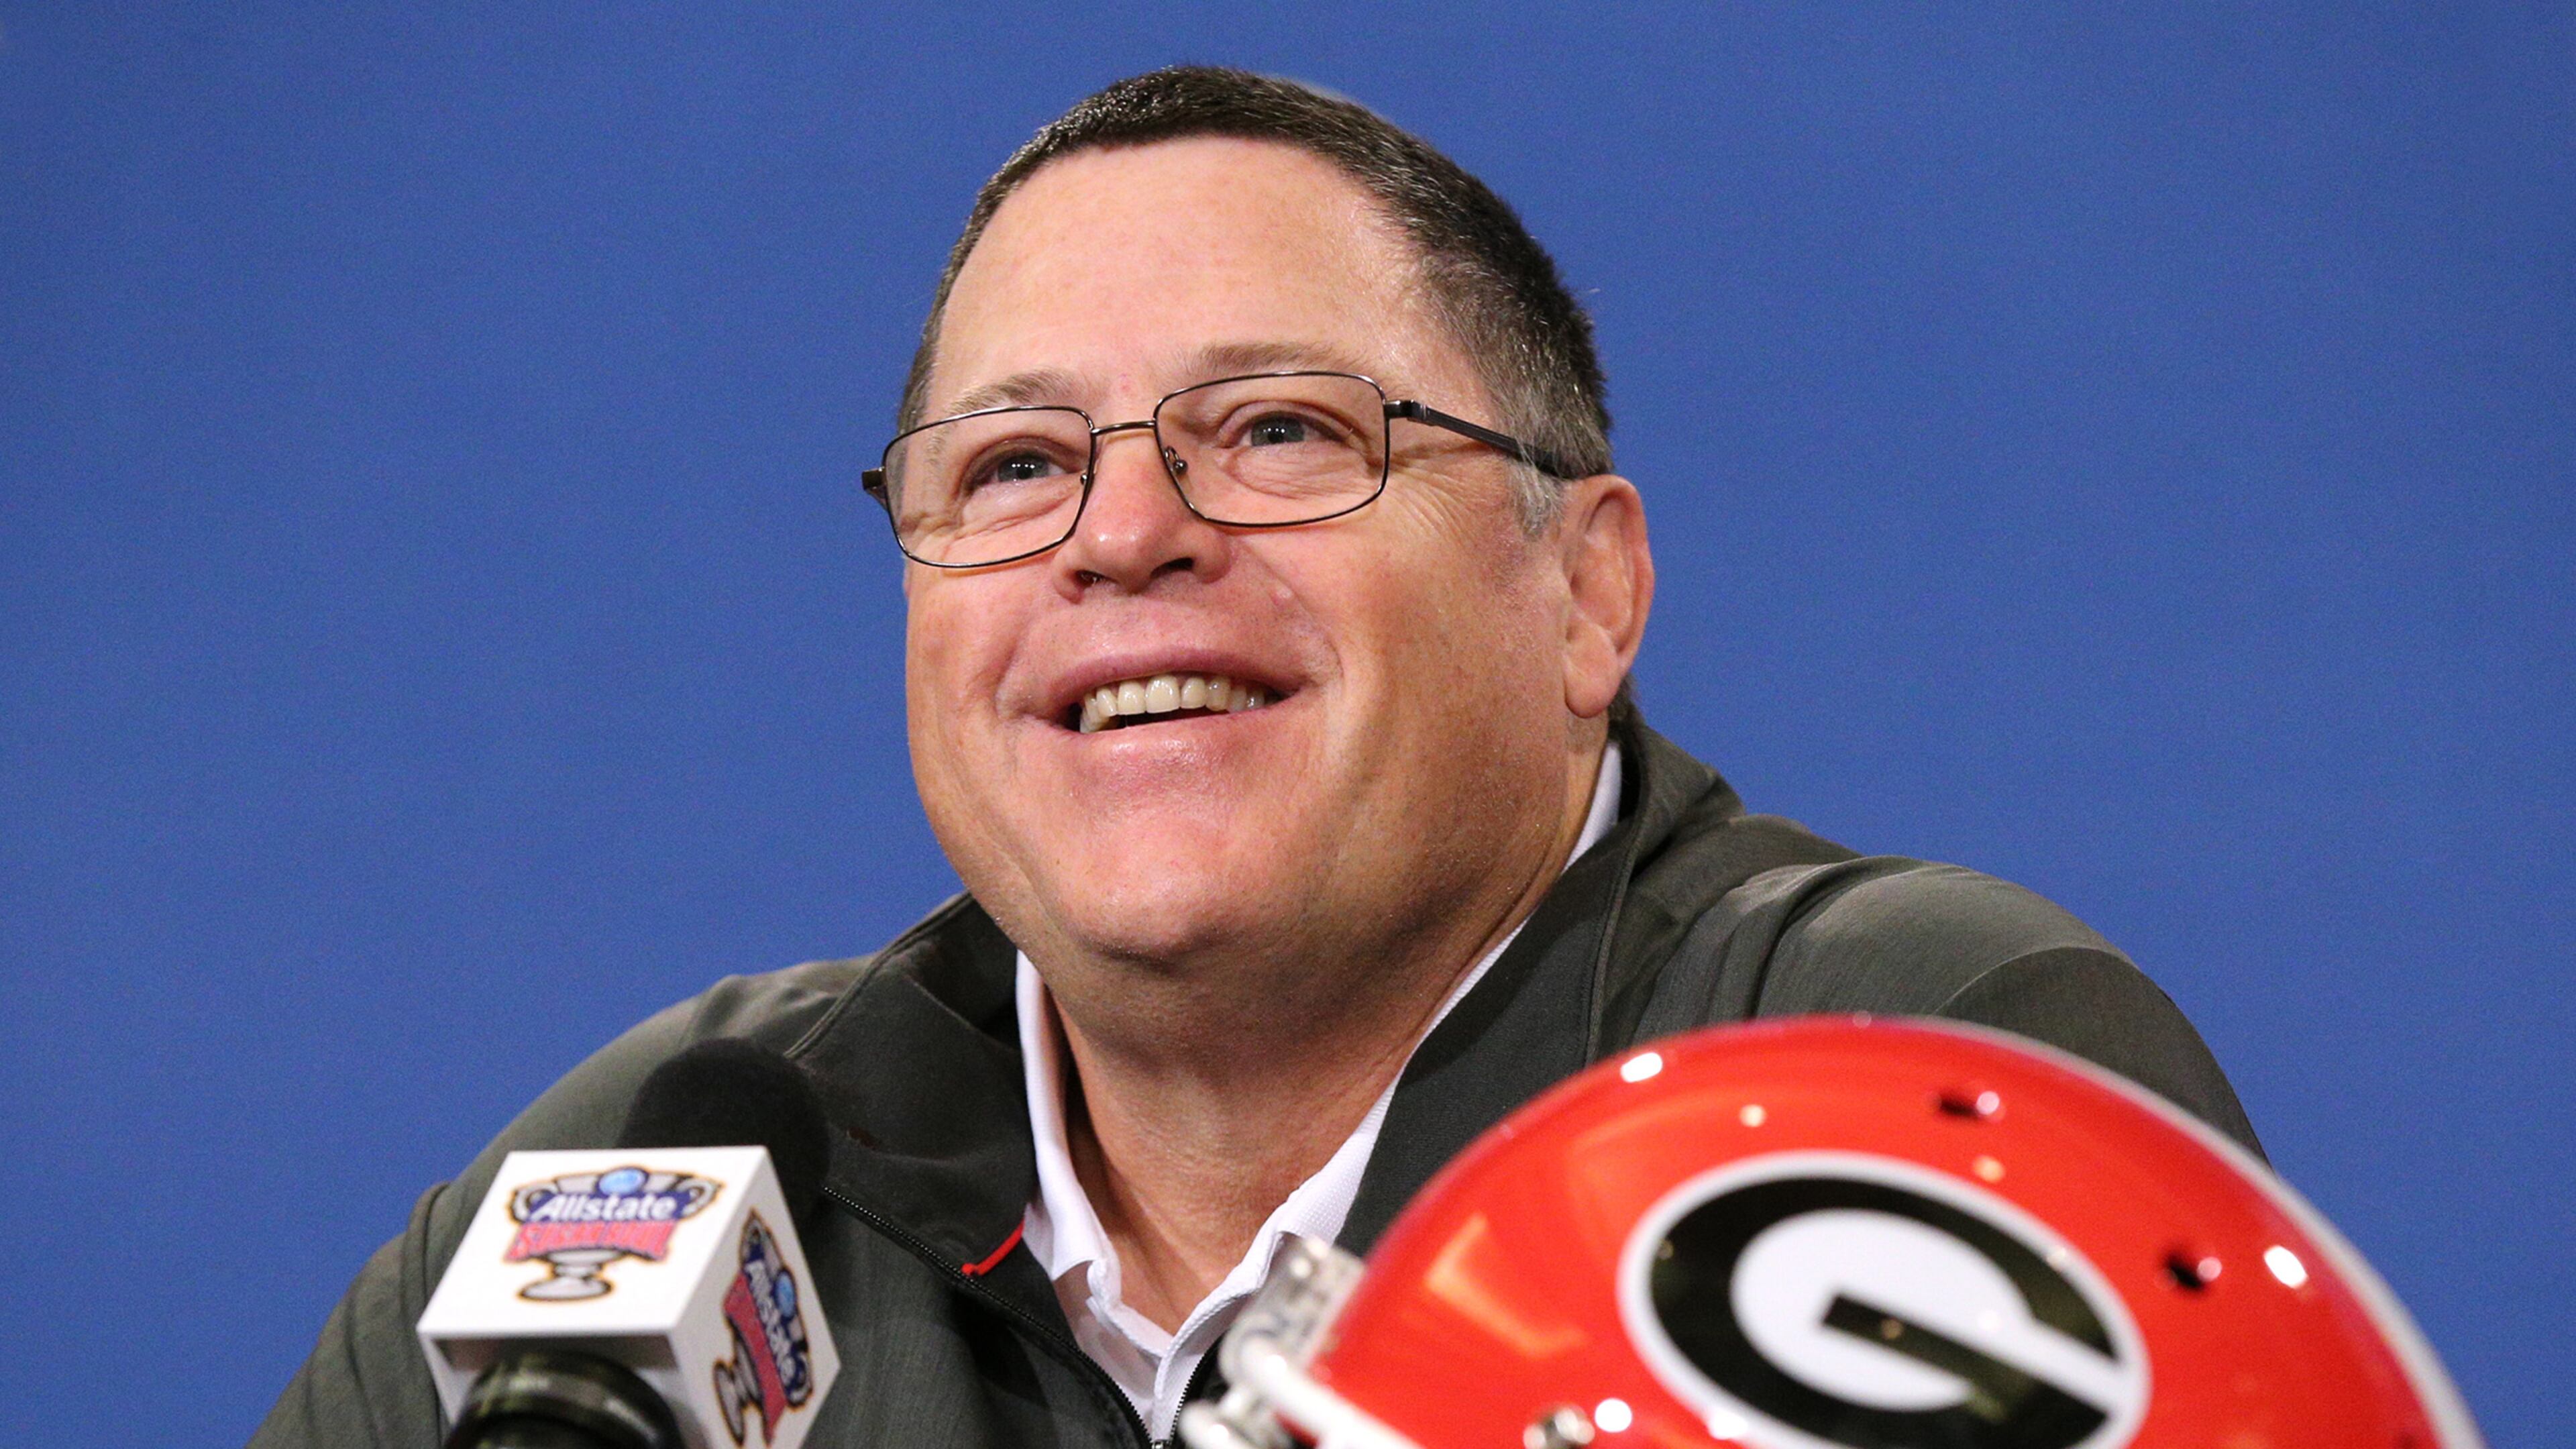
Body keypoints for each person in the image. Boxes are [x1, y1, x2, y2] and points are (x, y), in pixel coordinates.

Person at [254, 66, 2258, 1449]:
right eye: (1018, 466)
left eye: (1283, 431)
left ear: (1587, 593)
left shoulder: (1898, 1093)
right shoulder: (660, 1183)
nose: (1124, 537)